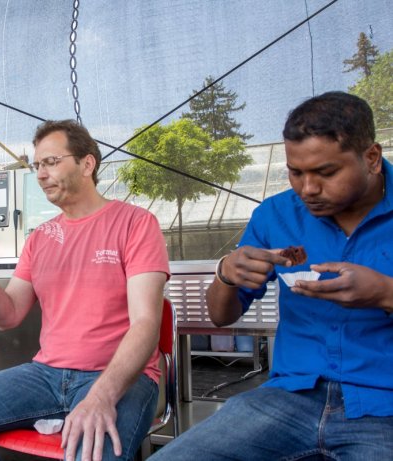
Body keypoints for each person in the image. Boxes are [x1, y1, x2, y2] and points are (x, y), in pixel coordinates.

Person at [0, 120, 170, 461]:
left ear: (87, 164)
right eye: (37, 165)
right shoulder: (40, 238)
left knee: (92, 453)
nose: (41, 174)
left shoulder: (135, 223)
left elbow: (146, 323)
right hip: (45, 374)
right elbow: (7, 316)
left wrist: (100, 397)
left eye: (51, 162)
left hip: (117, 376)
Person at [151, 91, 393, 460]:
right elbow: (221, 315)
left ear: (371, 158)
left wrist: (383, 294)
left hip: (383, 406)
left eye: (326, 173)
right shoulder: (275, 215)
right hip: (288, 398)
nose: (308, 189)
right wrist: (227, 274)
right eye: (295, 172)